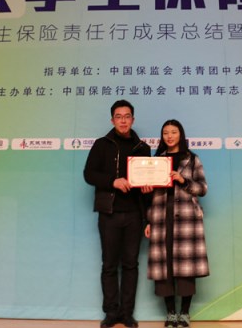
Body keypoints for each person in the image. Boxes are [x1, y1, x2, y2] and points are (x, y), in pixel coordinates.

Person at [83, 100, 152, 328]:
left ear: (133, 119)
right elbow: (89, 174)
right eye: (119, 116)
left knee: (131, 265)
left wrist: (148, 188)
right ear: (112, 120)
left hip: (134, 215)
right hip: (109, 213)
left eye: (127, 116)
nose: (123, 120)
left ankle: (127, 313)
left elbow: (147, 181)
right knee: (109, 265)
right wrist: (113, 181)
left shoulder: (142, 148)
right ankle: (111, 313)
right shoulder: (102, 144)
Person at [144, 119, 209, 328]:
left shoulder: (192, 159)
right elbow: (150, 196)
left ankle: (185, 313)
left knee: (186, 267)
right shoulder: (156, 160)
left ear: (180, 134)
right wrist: (148, 219)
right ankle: (171, 313)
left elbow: (203, 188)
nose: (169, 136)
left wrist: (183, 180)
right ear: (161, 136)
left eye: (173, 132)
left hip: (187, 219)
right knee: (164, 268)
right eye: (165, 132)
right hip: (161, 217)